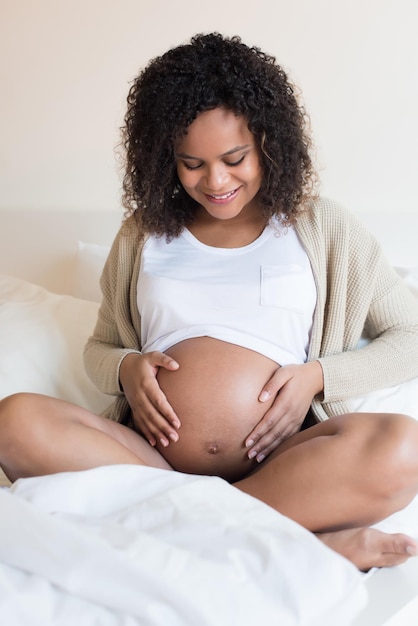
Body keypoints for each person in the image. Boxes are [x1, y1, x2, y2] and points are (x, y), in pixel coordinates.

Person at [1, 32, 418, 571]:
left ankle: (182, 530)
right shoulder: (142, 234)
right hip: (148, 465)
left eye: (234, 157)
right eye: (191, 163)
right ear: (164, 159)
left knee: (402, 446)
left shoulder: (323, 226)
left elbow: (411, 336)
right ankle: (294, 545)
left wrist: (319, 377)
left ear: (269, 140)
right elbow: (101, 346)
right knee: (14, 421)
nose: (216, 180)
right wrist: (126, 369)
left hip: (284, 465)